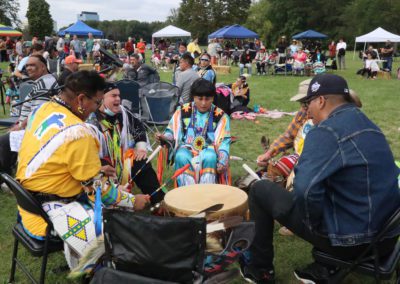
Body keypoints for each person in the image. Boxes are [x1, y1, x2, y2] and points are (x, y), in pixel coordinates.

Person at [241, 74, 400, 283]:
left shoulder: (325, 131)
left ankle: (260, 269)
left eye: (308, 104)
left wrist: (310, 225)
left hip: (354, 242)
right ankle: (326, 266)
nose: (306, 113)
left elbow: (305, 191)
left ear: (321, 101)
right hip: (387, 236)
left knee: (261, 189)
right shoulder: (368, 124)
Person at [16, 71, 150, 268]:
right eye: (96, 102)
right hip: (49, 212)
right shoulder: (79, 133)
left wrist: (94, 168)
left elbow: (55, 158)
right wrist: (133, 201)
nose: (96, 108)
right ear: (81, 99)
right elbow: (99, 191)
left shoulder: (44, 108)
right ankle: (101, 270)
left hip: (28, 202)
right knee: (121, 225)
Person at [87, 82, 163, 204]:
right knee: (107, 166)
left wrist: (141, 147)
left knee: (141, 162)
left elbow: (138, 127)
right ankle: (119, 200)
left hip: (122, 160)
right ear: (101, 98)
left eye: (119, 95)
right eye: (113, 96)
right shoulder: (91, 120)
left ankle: (158, 200)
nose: (118, 99)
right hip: (100, 165)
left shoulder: (123, 113)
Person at [156, 78, 231, 186]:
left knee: (210, 156)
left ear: (213, 98)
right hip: (186, 147)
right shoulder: (182, 111)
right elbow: (172, 131)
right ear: (193, 97)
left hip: (209, 149)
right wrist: (165, 137)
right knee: (180, 155)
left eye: (208, 98)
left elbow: (224, 141)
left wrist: (223, 160)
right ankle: (187, 193)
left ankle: (207, 194)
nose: (204, 103)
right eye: (199, 98)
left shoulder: (221, 116)